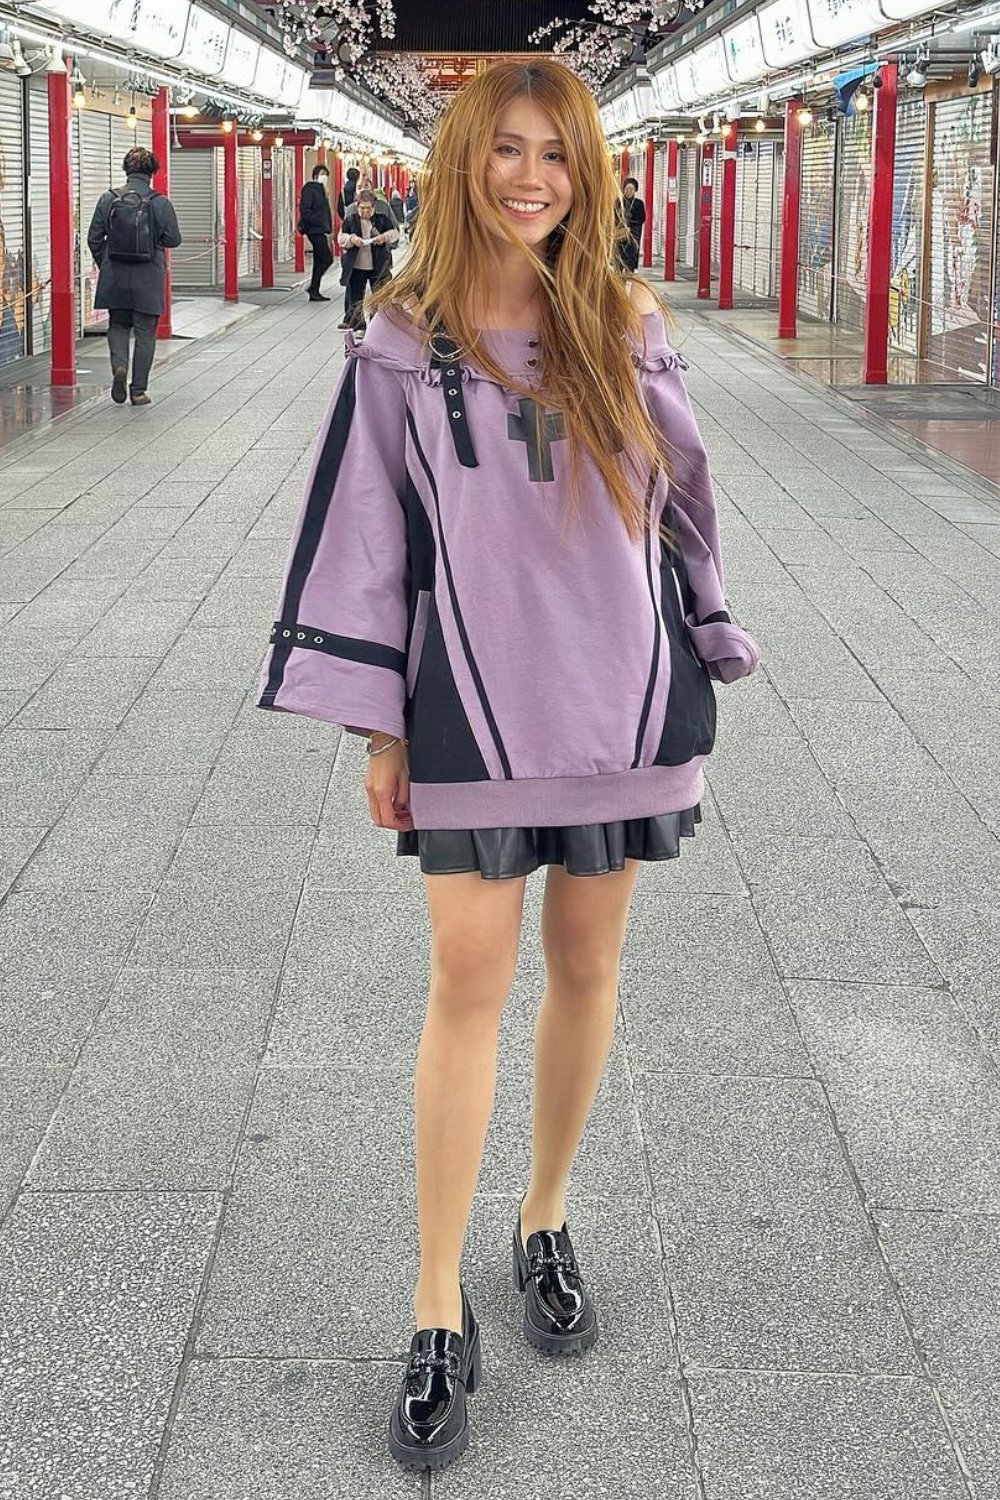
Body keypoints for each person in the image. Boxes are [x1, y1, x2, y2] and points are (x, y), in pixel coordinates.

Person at [256, 58, 760, 1473]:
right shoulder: (405, 335)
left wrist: (708, 636)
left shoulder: (625, 319)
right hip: (470, 711)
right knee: (468, 982)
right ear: (463, 161)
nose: (531, 176)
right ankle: (434, 1300)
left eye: (557, 153)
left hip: (617, 704)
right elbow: (369, 536)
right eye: (506, 150)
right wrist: (377, 721)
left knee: (591, 967)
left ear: (586, 172)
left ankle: (541, 1219)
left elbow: (685, 507)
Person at [87, 147, 181, 406]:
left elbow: (93, 238)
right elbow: (174, 239)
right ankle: (138, 391)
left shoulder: (108, 199)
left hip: (115, 275)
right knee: (145, 333)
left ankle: (119, 366)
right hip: (148, 278)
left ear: (126, 169)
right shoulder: (160, 202)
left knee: (117, 325)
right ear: (152, 172)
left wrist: (106, 262)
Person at [337, 188, 398, 333]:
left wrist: (384, 237)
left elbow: (395, 233)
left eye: (368, 208)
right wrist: (352, 239)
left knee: (379, 295)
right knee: (356, 295)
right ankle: (358, 324)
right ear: (357, 207)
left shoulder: (382, 219)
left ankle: (376, 323)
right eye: (362, 208)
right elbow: (341, 238)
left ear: (374, 207)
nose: (365, 211)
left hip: (378, 264)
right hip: (357, 265)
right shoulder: (350, 221)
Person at [298, 163, 333, 302]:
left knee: (319, 260)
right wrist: (318, 221)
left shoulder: (322, 190)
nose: (324, 177)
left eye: (326, 175)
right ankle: (313, 287)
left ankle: (314, 290)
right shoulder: (310, 189)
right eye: (322, 174)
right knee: (327, 258)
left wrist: (328, 228)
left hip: (320, 229)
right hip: (314, 230)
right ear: (315, 175)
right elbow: (305, 210)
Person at [619, 175, 646, 272]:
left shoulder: (639, 203)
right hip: (620, 234)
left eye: (631, 189)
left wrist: (630, 226)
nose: (628, 191)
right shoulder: (618, 201)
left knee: (631, 256)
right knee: (620, 256)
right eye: (627, 188)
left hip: (634, 234)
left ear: (635, 190)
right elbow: (613, 217)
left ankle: (630, 275)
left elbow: (642, 218)